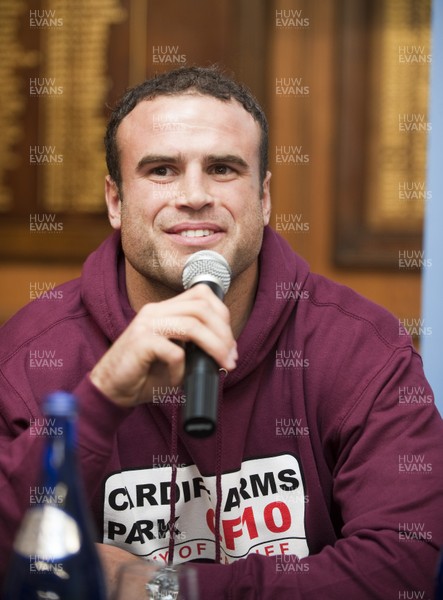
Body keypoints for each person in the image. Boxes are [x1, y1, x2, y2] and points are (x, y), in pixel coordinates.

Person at [0, 65, 442, 599]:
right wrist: (101, 398)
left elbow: (401, 567)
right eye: (161, 170)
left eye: (223, 169)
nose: (193, 196)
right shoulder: (29, 354)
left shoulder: (360, 345)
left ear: (264, 198)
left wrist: (163, 588)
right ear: (115, 202)